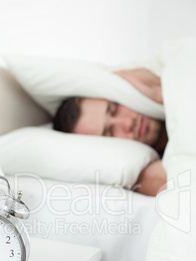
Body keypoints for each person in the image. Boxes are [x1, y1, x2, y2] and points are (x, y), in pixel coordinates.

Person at [53, 68, 167, 196]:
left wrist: (161, 89)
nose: (127, 124)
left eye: (115, 109)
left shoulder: (159, 78)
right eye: (110, 134)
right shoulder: (147, 176)